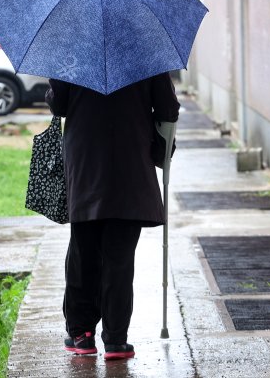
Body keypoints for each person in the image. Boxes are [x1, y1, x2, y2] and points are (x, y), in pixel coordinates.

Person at [45, 73, 180, 360]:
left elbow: (59, 106)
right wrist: (161, 150)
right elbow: (168, 107)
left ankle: (81, 334)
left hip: (85, 161)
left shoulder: (73, 46)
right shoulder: (147, 46)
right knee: (120, 257)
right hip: (130, 159)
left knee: (84, 250)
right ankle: (116, 340)